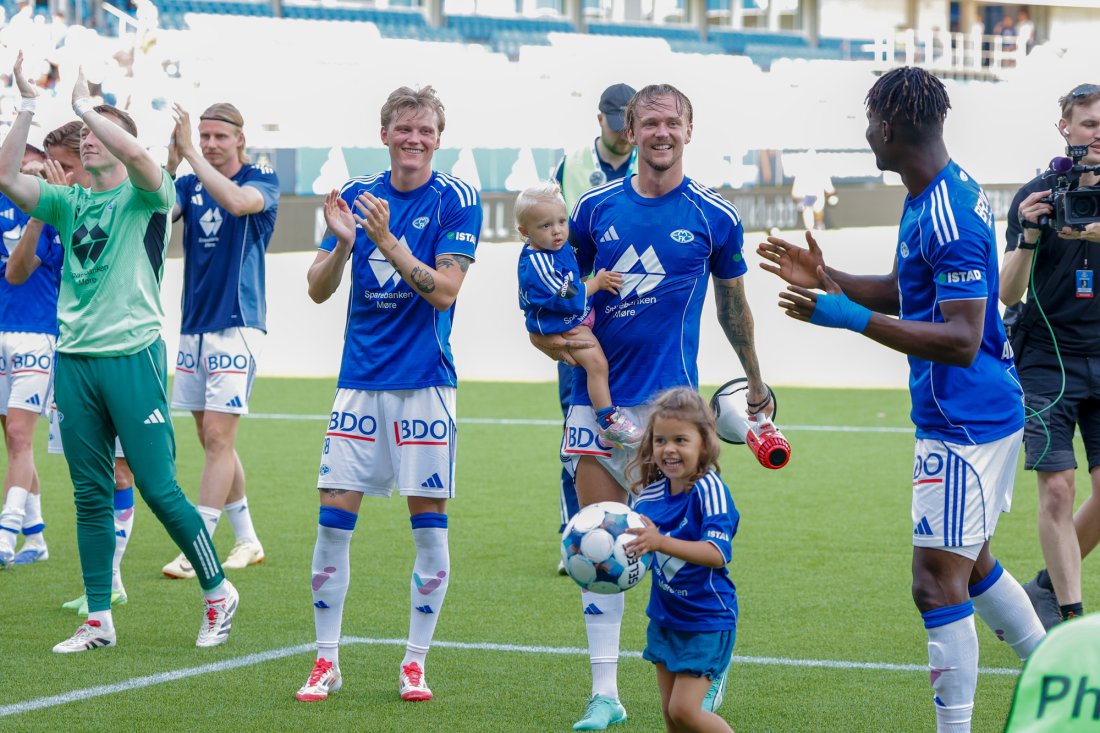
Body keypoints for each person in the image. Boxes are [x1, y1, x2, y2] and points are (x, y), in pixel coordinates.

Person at [758, 66, 1046, 733]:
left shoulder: (947, 212)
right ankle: (1063, 674)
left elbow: (961, 337)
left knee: (933, 581)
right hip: (966, 412)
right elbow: (904, 290)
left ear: (888, 126)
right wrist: (829, 279)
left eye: (868, 123)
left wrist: (847, 318)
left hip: (964, 420)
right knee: (969, 563)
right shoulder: (933, 193)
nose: (865, 134)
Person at [531, 83, 770, 731]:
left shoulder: (714, 216)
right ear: (630, 132)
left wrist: (754, 376)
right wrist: (553, 343)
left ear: (689, 130)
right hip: (595, 405)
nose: (661, 132)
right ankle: (604, 694)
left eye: (672, 122)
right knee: (597, 545)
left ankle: (705, 663)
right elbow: (557, 299)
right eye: (649, 123)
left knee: (680, 546)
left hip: (672, 411)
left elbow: (731, 305)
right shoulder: (591, 211)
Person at [0, 53, 238, 652]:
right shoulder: (67, 202)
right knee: (89, 494)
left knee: (158, 488)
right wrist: (29, 104)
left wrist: (87, 106)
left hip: (132, 357)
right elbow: (6, 178)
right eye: (82, 133)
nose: (86, 137)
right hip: (75, 361)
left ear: (120, 140)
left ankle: (218, 590)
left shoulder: (147, 196)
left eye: (95, 131)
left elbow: (137, 157)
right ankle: (99, 619)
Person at [296, 85, 481, 704]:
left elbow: (445, 292)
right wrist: (345, 243)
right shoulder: (354, 197)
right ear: (385, 134)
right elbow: (319, 290)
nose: (414, 140)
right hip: (359, 384)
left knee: (428, 530)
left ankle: (414, 662)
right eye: (403, 129)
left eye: (425, 130)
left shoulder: (456, 199)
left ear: (438, 137)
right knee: (331, 525)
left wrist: (388, 240)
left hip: (426, 385)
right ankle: (327, 661)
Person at [8, 119, 137, 612]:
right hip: (71, 359)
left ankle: (114, 578)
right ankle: (105, 582)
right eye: (54, 166)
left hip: (121, 355)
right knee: (92, 475)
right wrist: (42, 211)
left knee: (124, 471)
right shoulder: (61, 211)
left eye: (65, 167)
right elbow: (17, 274)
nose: (56, 174)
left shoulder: (121, 205)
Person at [159, 101, 279, 580]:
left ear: (239, 140)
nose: (209, 144)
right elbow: (155, 214)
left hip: (238, 323)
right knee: (210, 437)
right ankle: (247, 539)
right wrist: (170, 164)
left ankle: (198, 547)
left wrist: (190, 154)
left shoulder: (261, 177)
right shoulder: (188, 183)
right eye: (203, 137)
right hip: (194, 327)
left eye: (218, 137)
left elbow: (238, 203)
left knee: (217, 438)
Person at [1000, 82, 1100, 630]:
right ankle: (1069, 616)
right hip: (1045, 359)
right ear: (1065, 127)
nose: (1099, 134)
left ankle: (1042, 587)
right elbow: (1008, 294)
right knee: (1058, 486)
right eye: (1089, 124)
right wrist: (1031, 237)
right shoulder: (1036, 194)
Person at [550, 82, 638, 571]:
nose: (624, 130)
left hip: (635, 312)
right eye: (616, 120)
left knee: (641, 424)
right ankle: (575, 538)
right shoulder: (573, 165)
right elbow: (554, 236)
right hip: (583, 310)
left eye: (630, 121)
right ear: (599, 119)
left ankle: (637, 532)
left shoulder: (651, 158)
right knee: (577, 426)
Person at [625, 388, 738, 733]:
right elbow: (638, 551)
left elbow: (717, 554)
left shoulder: (709, 489)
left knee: (686, 711)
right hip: (665, 617)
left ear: (704, 444)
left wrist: (661, 542)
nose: (668, 449)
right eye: (660, 440)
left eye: (680, 440)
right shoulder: (647, 498)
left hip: (706, 618)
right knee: (672, 717)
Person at [515, 182, 637, 445]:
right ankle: (607, 419)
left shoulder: (557, 247)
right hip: (560, 325)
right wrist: (597, 282)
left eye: (561, 221)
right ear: (525, 232)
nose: (557, 231)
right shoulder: (536, 262)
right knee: (597, 364)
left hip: (575, 317)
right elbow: (565, 295)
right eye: (545, 226)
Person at [0, 123, 51, 569]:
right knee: (11, 438)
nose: (27, 159)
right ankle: (35, 538)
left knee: (19, 434)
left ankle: (5, 532)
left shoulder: (53, 203)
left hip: (39, 331)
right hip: (2, 328)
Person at [790, 149, 836, 232]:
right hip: (809, 196)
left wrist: (831, 192)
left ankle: (815, 227)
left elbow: (829, 187)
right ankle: (812, 229)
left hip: (816, 196)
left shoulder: (820, 171)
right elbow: (795, 190)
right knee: (810, 213)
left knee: (815, 213)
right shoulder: (803, 171)